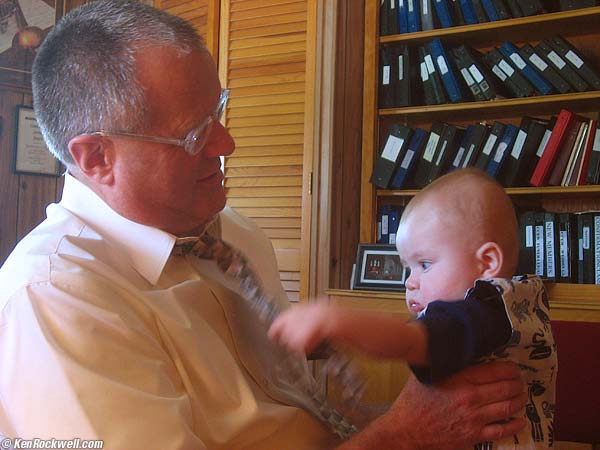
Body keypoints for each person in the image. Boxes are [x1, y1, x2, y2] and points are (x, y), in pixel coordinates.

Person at [0, 2, 526, 449]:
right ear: (96, 158)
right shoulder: (55, 300)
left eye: (220, 111)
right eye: (194, 133)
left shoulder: (233, 235)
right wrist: (400, 434)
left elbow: (301, 394)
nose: (227, 144)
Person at [270, 169, 557, 449]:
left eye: (426, 265)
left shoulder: (482, 313)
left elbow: (410, 341)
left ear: (487, 263)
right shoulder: (520, 302)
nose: (410, 282)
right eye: (408, 268)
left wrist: (336, 319)